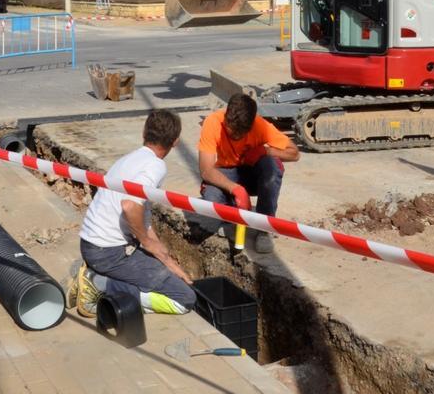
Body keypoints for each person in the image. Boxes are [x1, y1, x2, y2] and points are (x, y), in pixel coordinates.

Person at [69, 109, 195, 317]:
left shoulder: (131, 159)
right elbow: (130, 206)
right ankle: (99, 286)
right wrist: (147, 242)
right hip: (109, 253)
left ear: (144, 133)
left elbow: (141, 218)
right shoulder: (155, 166)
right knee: (184, 299)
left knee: (161, 268)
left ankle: (97, 277)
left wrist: (165, 258)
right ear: (175, 142)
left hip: (93, 246)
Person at [198, 93, 300, 253]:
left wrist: (266, 151)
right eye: (232, 130)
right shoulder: (213, 122)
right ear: (227, 117)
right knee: (211, 197)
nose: (235, 136)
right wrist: (235, 189)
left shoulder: (260, 126)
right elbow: (206, 170)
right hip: (227, 172)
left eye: (240, 133)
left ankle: (264, 227)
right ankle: (232, 213)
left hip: (252, 173)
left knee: (272, 168)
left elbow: (294, 153)